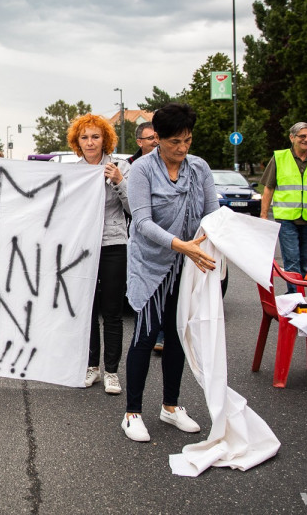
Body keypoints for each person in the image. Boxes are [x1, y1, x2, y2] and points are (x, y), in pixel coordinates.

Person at [121, 103, 218, 442]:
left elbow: (213, 214)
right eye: (175, 141)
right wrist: (180, 244)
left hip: (187, 264)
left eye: (187, 140)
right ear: (157, 139)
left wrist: (223, 243)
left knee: (178, 335)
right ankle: (132, 413)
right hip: (150, 264)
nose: (182, 148)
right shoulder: (142, 170)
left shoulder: (199, 168)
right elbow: (142, 222)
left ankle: (171, 406)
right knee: (146, 335)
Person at [68, 114, 129, 395]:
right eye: (84, 137)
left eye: (95, 136)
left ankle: (112, 371)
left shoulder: (121, 167)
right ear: (77, 142)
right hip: (84, 247)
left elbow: (134, 208)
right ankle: (91, 365)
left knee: (113, 311)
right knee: (88, 310)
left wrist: (119, 181)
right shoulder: (73, 172)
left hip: (113, 244)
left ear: (105, 139)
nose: (90, 142)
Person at [259, 122, 307, 293]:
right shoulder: (279, 158)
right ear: (292, 138)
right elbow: (268, 188)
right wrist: (264, 215)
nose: (306, 139)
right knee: (292, 260)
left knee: (303, 262)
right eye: (302, 136)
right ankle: (295, 295)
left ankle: (296, 293)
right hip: (287, 218)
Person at [126, 122, 165, 353]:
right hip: (140, 237)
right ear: (139, 142)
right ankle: (146, 337)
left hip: (166, 237)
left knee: (165, 291)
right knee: (143, 291)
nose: (155, 141)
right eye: (150, 138)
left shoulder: (169, 164)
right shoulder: (130, 166)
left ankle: (161, 336)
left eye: (157, 137)